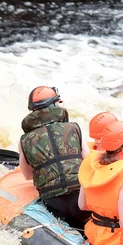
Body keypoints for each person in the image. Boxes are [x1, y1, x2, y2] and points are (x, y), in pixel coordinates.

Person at [18, 86, 91, 230]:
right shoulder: (73, 128)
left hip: (54, 205)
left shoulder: (24, 140)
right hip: (82, 202)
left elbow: (27, 175)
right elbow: (89, 163)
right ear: (55, 104)